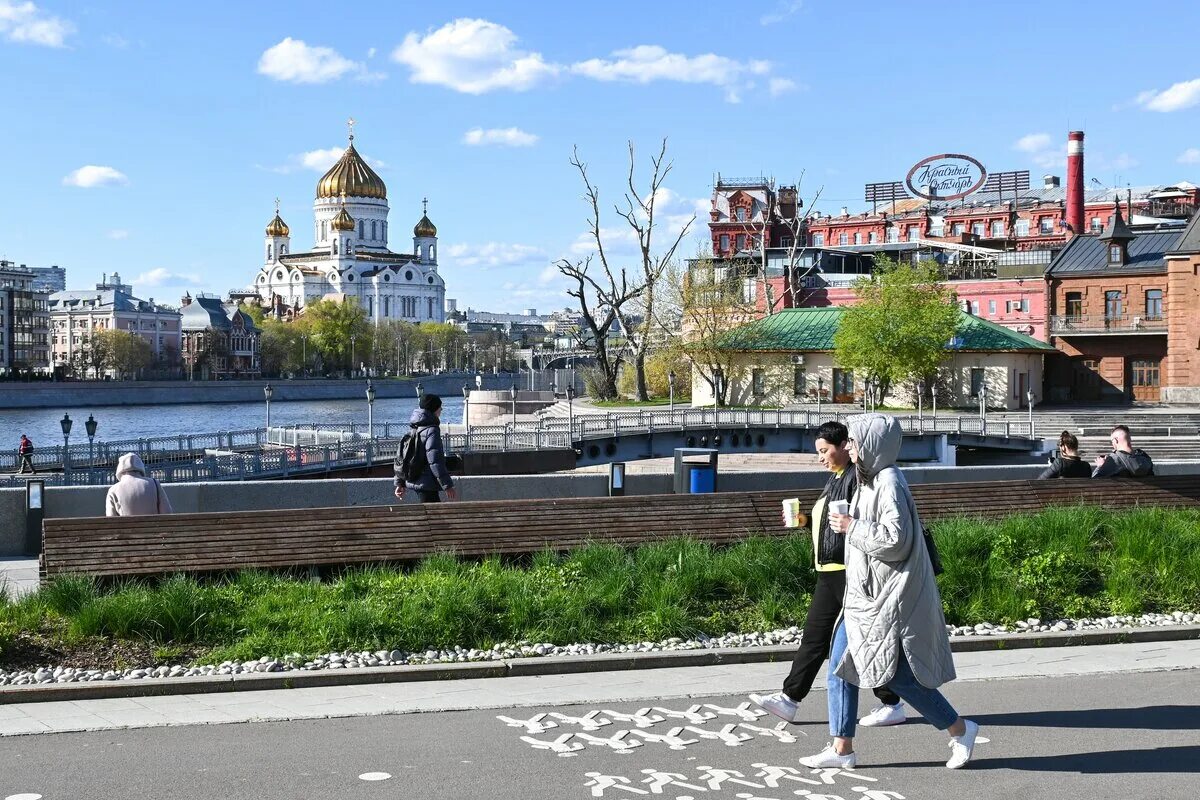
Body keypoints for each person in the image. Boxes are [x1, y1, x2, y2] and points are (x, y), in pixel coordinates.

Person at [800, 413, 979, 770]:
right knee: (840, 666)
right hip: (864, 597)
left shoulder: (889, 481)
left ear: (870, 444)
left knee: (896, 675)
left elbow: (895, 540)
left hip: (887, 597)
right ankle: (841, 750)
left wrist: (852, 525)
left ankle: (960, 728)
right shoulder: (868, 480)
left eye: (852, 440)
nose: (848, 446)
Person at [749, 421, 906, 728]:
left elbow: (856, 523)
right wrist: (805, 520)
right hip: (829, 571)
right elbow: (833, 523)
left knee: (859, 642)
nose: (820, 457)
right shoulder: (835, 479)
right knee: (815, 638)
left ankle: (892, 701)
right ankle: (789, 699)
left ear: (844, 447)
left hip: (849, 571)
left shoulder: (856, 479)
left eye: (825, 450)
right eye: (818, 452)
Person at [395, 393, 457, 503]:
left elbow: (403, 456)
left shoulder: (415, 427)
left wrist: (400, 482)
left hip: (414, 479)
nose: (441, 409)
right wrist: (447, 485)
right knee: (434, 517)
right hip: (426, 483)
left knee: (431, 516)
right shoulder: (432, 430)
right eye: (439, 407)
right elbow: (435, 460)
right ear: (434, 409)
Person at [106, 453, 173, 516]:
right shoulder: (154, 483)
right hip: (153, 527)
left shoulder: (113, 490)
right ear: (141, 467)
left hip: (127, 528)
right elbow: (167, 512)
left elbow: (111, 518)